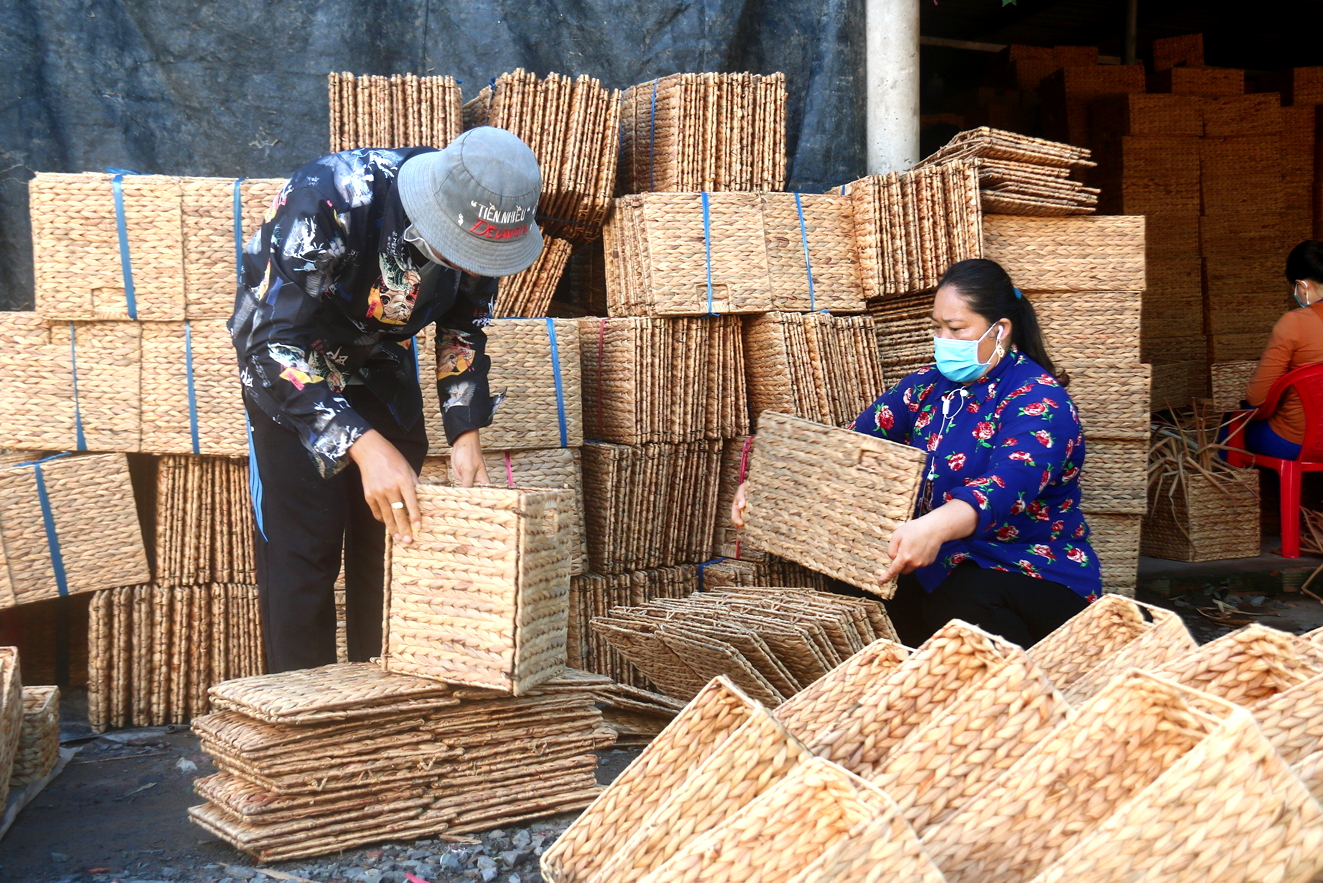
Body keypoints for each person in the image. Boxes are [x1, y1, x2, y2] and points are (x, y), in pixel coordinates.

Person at [231, 127, 543, 672]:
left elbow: (463, 328)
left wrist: (466, 438)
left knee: (396, 549)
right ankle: (306, 724)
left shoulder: (486, 229)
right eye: (462, 251)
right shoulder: (329, 196)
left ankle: (383, 708)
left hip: (378, 361)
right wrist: (363, 445)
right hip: (289, 365)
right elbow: (267, 341)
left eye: (482, 258)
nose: (473, 268)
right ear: (431, 212)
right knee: (304, 554)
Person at [732, 259, 1100, 648]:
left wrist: (933, 528)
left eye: (956, 329)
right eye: (936, 328)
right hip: (946, 562)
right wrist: (770, 486)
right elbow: (851, 446)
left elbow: (1003, 488)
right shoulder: (927, 387)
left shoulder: (1040, 402)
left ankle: (1034, 688)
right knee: (862, 581)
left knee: (958, 603)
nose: (943, 339)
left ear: (1000, 331)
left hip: (1032, 571)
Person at [1240, 240, 1323, 459]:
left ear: (1302, 285)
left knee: (1232, 425)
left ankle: (1273, 494)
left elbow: (1257, 398)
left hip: (1300, 441)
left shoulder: (1294, 323)